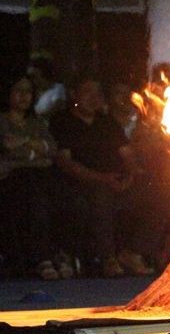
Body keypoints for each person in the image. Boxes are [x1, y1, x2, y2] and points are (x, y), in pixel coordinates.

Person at [49, 74, 156, 277]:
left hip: (116, 182)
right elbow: (66, 163)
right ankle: (107, 257)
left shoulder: (107, 122)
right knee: (100, 192)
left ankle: (134, 252)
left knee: (161, 193)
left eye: (97, 92)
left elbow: (128, 154)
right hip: (81, 185)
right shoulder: (62, 121)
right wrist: (102, 179)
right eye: (87, 92)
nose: (93, 97)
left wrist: (130, 176)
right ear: (74, 94)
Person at [0, 72, 71, 279]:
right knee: (34, 192)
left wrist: (24, 144)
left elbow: (51, 150)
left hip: (39, 176)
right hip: (11, 180)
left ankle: (57, 253)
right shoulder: (2, 121)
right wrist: (35, 150)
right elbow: (6, 148)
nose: (24, 96)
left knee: (61, 196)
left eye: (28, 92)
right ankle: (42, 257)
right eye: (18, 91)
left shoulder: (36, 122)